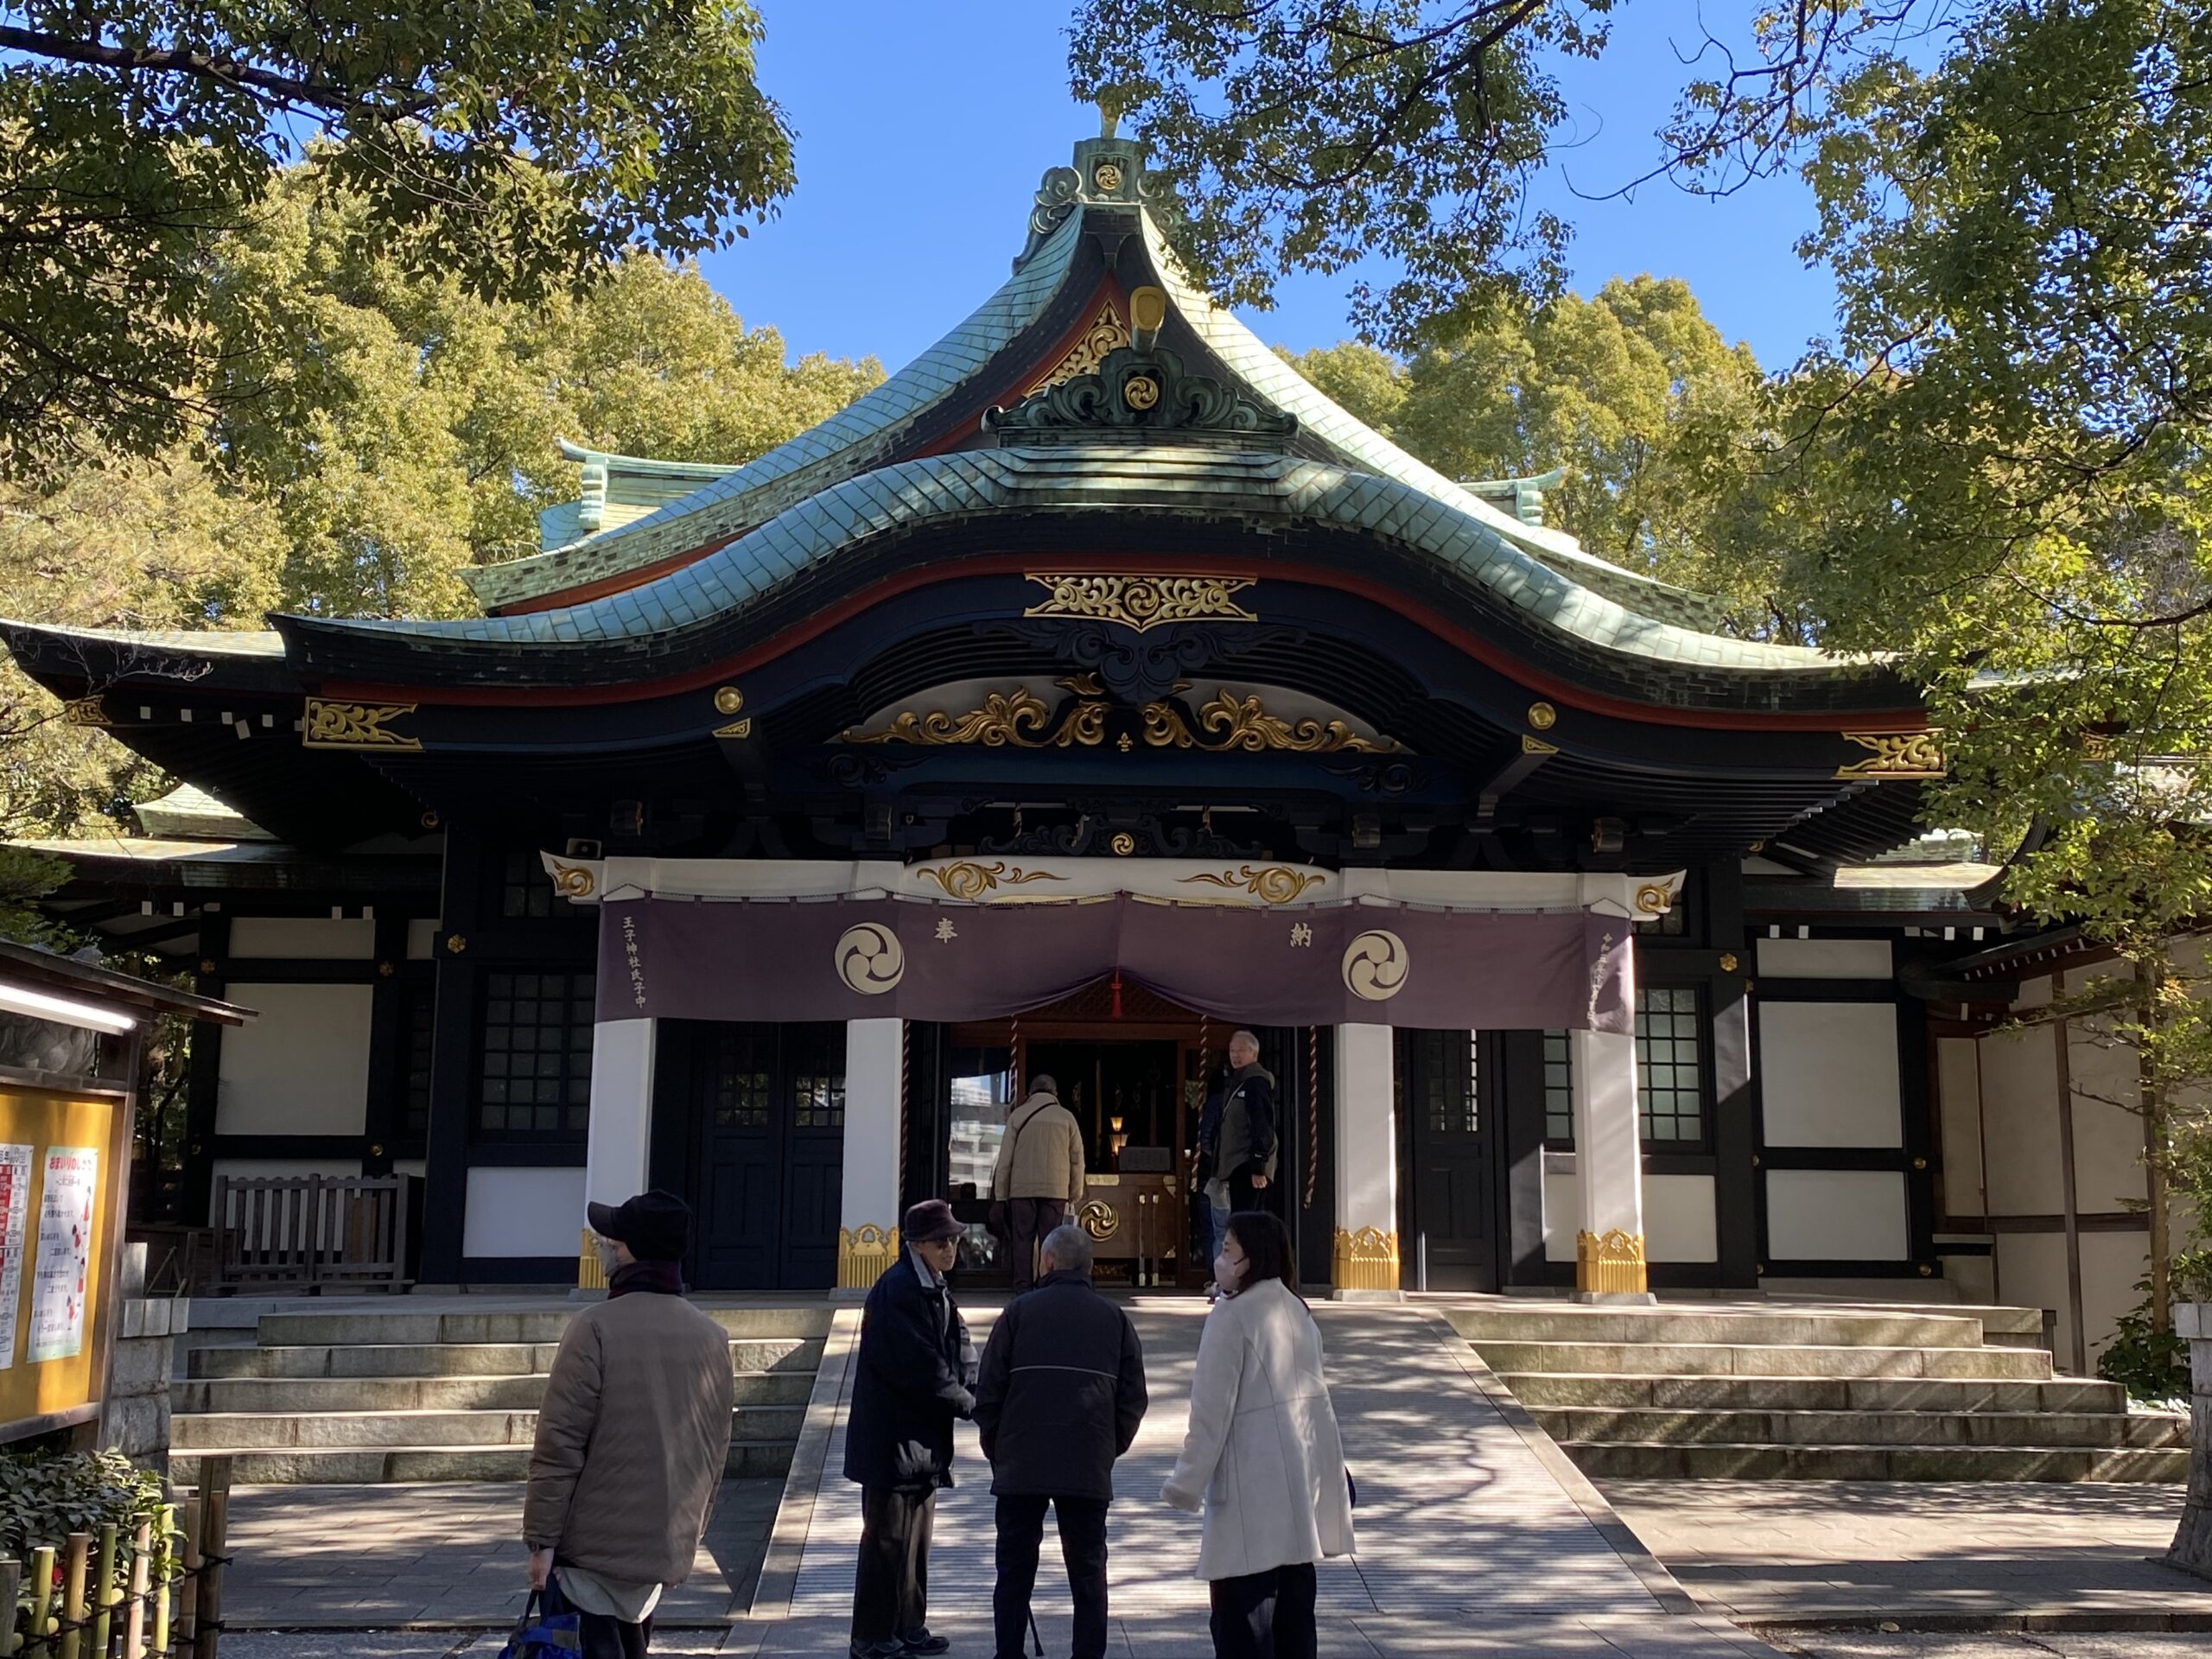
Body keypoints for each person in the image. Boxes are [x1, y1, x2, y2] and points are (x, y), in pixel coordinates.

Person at [523, 1190, 734, 1659]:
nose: (605, 1251)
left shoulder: (594, 1327)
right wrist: (690, 1533)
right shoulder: (711, 1336)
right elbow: (715, 1450)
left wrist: (541, 1540)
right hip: (661, 1545)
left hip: (589, 1549)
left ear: (631, 1252)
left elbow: (560, 1444)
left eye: (613, 1244)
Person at [1161, 1211, 1353, 1659]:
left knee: (1243, 1630)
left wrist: (1184, 1485)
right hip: (1298, 1496)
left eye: (1228, 1250)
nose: (1219, 1258)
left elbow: (1209, 1414)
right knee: (1294, 1629)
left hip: (1250, 1495)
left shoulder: (1232, 1316)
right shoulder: (1297, 1309)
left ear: (1251, 1259)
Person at [973, 1224, 1149, 1659]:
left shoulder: (1018, 1312)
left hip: (1021, 1461)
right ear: (1088, 1267)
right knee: (1089, 1571)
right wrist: (1109, 1446)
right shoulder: (1115, 1319)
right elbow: (1133, 1399)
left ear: (1047, 1261)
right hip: (1087, 1460)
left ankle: (1008, 1652)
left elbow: (987, 1391)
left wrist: (997, 1446)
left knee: (1014, 1570)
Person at [843, 1198, 976, 1659]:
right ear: (917, 1244)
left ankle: (909, 1625)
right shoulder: (897, 1290)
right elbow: (919, 1366)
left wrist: (972, 1380)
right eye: (942, 1241)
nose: (951, 1248)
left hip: (922, 1440)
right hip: (892, 1440)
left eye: (955, 1239)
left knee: (916, 1539)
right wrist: (965, 1401)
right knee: (886, 1541)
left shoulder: (934, 1286)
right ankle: (873, 1636)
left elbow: (956, 1346)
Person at [988, 1072, 1085, 1291]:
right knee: (1051, 1241)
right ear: (1056, 1093)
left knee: (1022, 1240)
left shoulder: (1017, 1116)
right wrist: (1075, 1193)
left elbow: (1005, 1161)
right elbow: (1077, 1160)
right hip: (1055, 1191)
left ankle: (1022, 1287)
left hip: (1021, 1192)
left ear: (1029, 1093)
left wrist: (1001, 1196)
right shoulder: (1067, 1117)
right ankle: (1048, 1286)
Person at [1198, 1033, 1277, 1295]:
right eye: (1232, 1050)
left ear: (1254, 1053)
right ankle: (1240, 1280)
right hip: (1233, 1166)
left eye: (1241, 1050)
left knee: (1247, 1225)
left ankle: (1249, 1280)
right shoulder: (1236, 1083)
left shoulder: (1256, 1082)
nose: (1235, 1055)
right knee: (1236, 1224)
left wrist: (1258, 1165)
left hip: (1247, 1165)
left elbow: (1262, 1125)